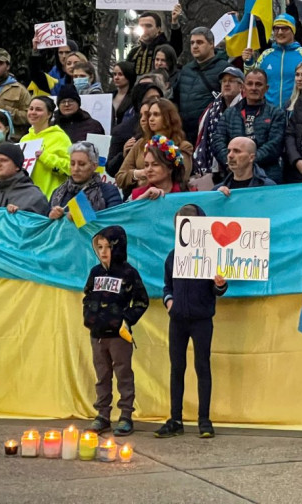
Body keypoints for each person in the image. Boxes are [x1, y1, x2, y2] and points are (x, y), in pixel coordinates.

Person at [154, 204, 228, 440]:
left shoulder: (210, 255)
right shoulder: (173, 256)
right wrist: (169, 302)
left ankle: (204, 419)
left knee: (202, 366)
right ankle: (175, 418)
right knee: (177, 368)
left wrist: (219, 284)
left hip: (202, 320)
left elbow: (219, 289)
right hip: (177, 320)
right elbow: (167, 285)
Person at [83, 225, 149, 437]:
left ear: (117, 248)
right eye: (99, 247)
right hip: (97, 335)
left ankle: (126, 416)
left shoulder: (129, 273)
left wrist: (126, 320)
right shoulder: (95, 272)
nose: (103, 251)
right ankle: (102, 416)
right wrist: (89, 317)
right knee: (102, 376)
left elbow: (141, 301)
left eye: (108, 247)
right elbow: (87, 295)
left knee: (123, 375)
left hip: (119, 336)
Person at [214, 69, 285, 183]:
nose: (253, 88)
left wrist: (247, 161)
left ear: (266, 89)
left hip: (267, 176)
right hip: (234, 176)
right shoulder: (230, 113)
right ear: (243, 87)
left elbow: (275, 145)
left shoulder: (276, 113)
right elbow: (218, 141)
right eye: (250, 84)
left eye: (258, 84)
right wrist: (231, 160)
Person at [116, 98, 193, 192]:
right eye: (149, 115)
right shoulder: (141, 143)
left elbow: (182, 178)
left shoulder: (182, 146)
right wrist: (139, 173)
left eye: (156, 115)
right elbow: (119, 177)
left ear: (168, 117)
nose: (151, 119)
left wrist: (145, 181)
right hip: (140, 198)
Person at [172, 26, 229, 141]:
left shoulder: (225, 70)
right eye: (192, 43)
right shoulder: (186, 70)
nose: (195, 46)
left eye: (199, 42)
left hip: (211, 134)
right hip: (185, 134)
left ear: (211, 44)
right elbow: (176, 98)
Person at [193, 65, 245, 181]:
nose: (226, 84)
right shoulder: (211, 110)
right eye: (224, 81)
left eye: (231, 81)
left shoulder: (246, 108)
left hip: (240, 167)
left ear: (241, 86)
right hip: (216, 170)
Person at [251, 14, 302, 108]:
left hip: (297, 114)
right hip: (269, 115)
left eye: (285, 28)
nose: (280, 32)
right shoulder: (265, 55)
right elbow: (251, 80)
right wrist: (248, 62)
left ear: (293, 31)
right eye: (276, 28)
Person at [48, 142, 123, 219]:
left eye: (82, 164)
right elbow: (43, 225)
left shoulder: (108, 192)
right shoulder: (58, 192)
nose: (76, 169)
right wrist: (50, 217)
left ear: (94, 166)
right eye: (72, 164)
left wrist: (84, 217)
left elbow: (115, 221)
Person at [106, 81, 163, 178]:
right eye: (151, 99)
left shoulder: (169, 127)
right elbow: (111, 169)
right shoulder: (122, 131)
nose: (156, 101)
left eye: (159, 97)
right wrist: (123, 155)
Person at [20, 96, 72, 198]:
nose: (33, 112)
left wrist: (46, 157)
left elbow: (70, 168)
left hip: (50, 199)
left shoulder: (60, 137)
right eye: (31, 109)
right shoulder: (24, 139)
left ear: (49, 114)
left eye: (38, 109)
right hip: (27, 199)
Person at [0, 48, 32, 138]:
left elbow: (30, 116)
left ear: (7, 66)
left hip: (13, 139)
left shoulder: (19, 90)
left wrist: (7, 111)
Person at [126, 9, 183, 76]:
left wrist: (174, 22)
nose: (144, 29)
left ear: (158, 29)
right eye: (141, 26)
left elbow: (176, 46)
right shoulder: (134, 52)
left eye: (148, 26)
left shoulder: (165, 48)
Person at [130, 135, 188, 200]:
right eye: (146, 165)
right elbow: (125, 210)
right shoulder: (138, 195)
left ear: (170, 168)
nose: (149, 169)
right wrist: (142, 198)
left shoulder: (188, 194)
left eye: (155, 164)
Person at [110, 61, 137, 127]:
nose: (116, 77)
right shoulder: (110, 95)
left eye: (120, 74)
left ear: (129, 75)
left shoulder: (135, 97)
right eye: (114, 74)